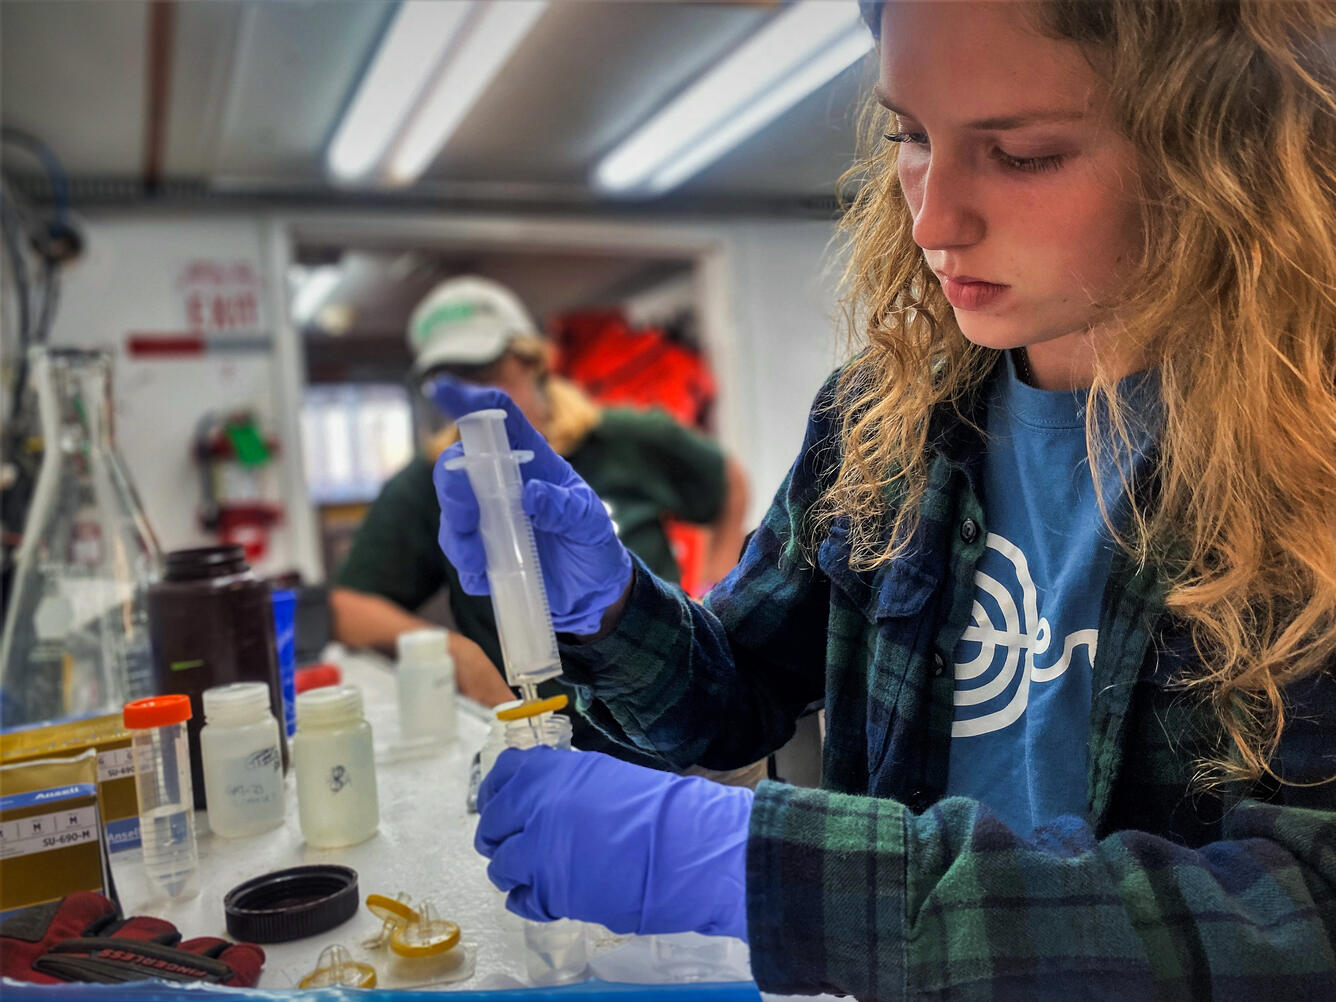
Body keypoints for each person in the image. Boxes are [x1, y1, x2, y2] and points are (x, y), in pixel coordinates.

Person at [434, 0, 1336, 997]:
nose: (931, 218)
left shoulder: (1308, 462)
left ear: (1220, 154)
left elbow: (1299, 918)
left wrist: (771, 874)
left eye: (1023, 153)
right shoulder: (887, 414)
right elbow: (734, 699)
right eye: (911, 135)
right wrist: (608, 608)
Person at [331, 275, 749, 715]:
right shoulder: (437, 481)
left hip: (662, 701)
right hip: (535, 725)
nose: (470, 397)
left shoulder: (623, 439)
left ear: (534, 361)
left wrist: (711, 596)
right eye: (448, 382)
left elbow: (728, 483)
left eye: (485, 372)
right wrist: (452, 653)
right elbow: (349, 607)